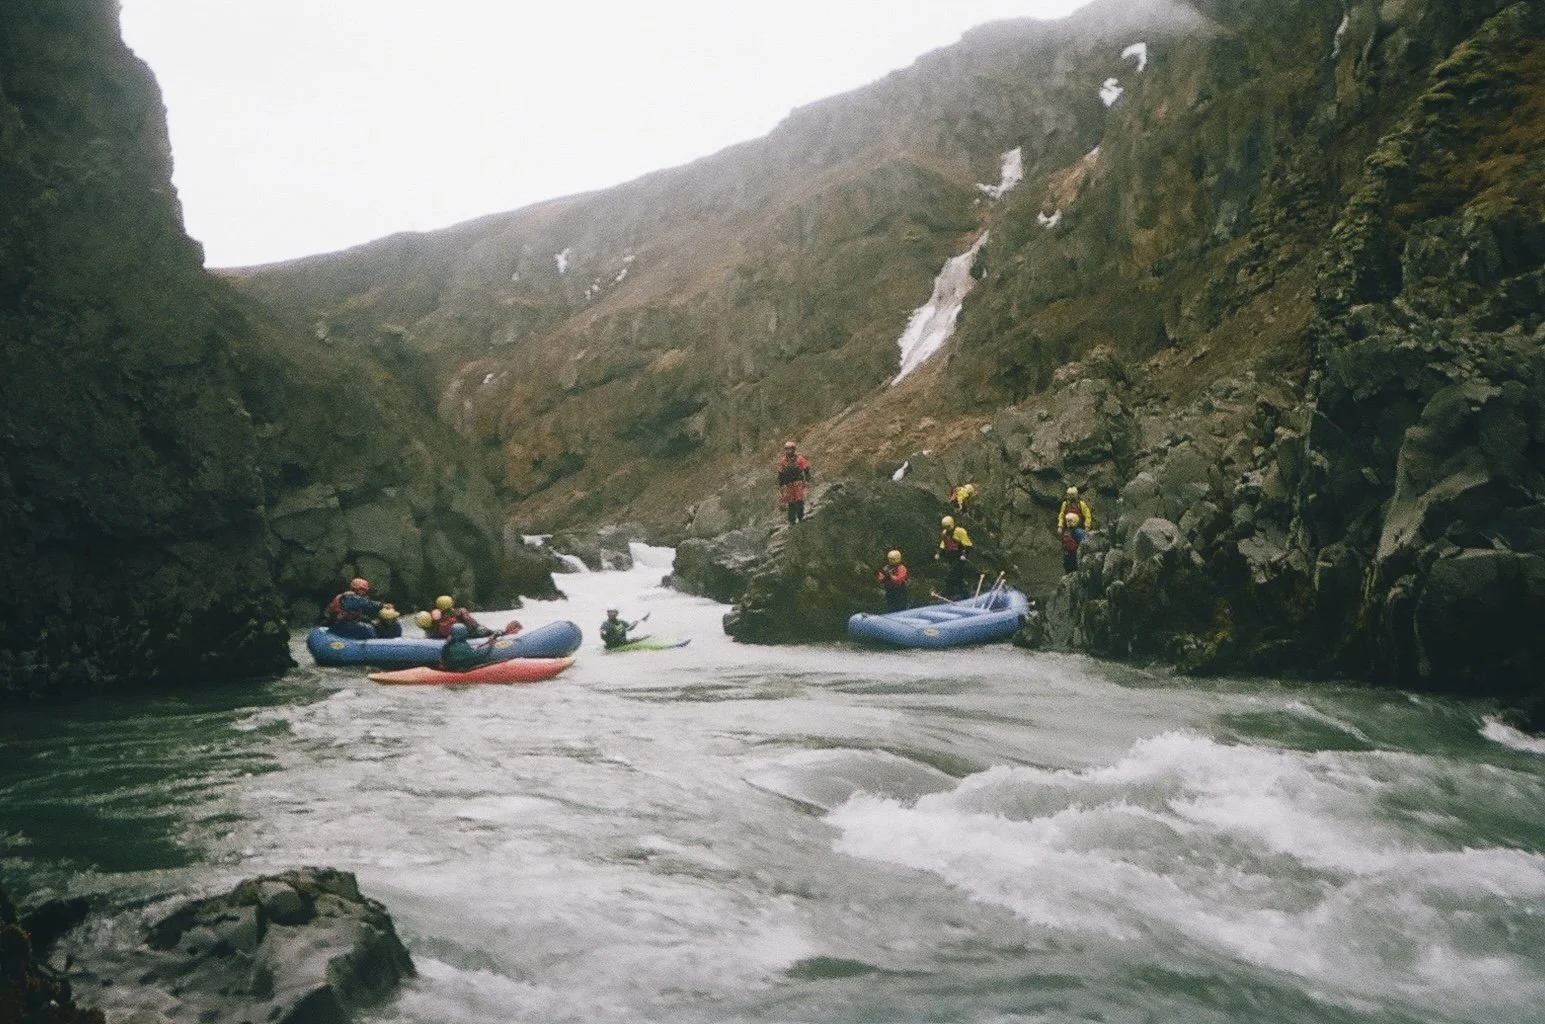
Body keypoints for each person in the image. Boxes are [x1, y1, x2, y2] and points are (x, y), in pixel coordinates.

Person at [934, 515, 974, 599]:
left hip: (959, 558)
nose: (946, 528)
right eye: (945, 527)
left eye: (948, 526)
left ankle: (948, 594)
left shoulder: (959, 531)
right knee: (958, 578)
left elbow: (967, 545)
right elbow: (943, 546)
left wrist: (964, 555)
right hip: (951, 558)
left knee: (951, 577)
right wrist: (939, 554)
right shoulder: (945, 534)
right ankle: (965, 595)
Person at [776, 440, 812, 525]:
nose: (788, 451)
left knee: (799, 501)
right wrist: (781, 485)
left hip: (798, 483)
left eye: (790, 449)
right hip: (789, 484)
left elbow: (806, 469)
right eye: (787, 449)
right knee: (791, 502)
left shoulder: (799, 459)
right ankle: (791, 521)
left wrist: (807, 479)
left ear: (793, 449)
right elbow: (780, 473)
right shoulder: (783, 461)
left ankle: (800, 518)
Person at [429, 595, 494, 638]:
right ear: (451, 603)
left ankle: (493, 633)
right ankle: (494, 633)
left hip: (452, 636)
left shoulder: (437, 616)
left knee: (484, 630)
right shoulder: (460, 612)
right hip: (465, 634)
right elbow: (472, 624)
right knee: (485, 631)